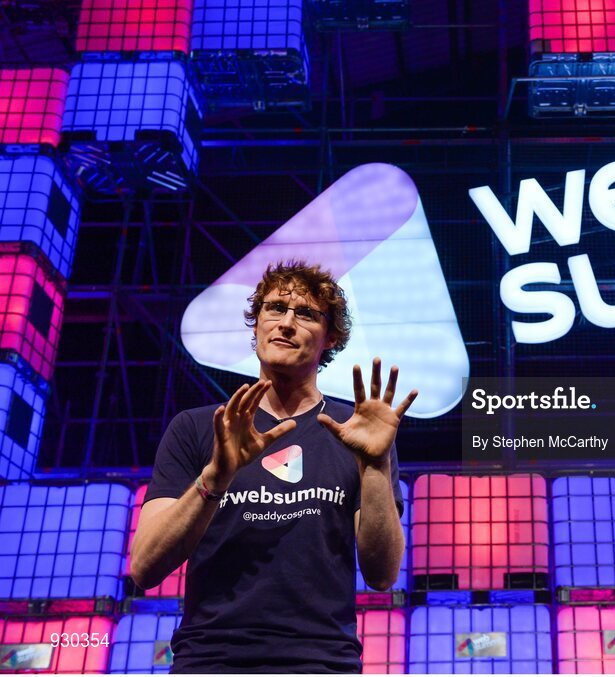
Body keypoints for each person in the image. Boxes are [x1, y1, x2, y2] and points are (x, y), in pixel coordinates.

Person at [130, 261, 415, 673]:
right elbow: (145, 567)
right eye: (275, 308)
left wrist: (374, 465)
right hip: (210, 660)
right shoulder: (197, 428)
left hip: (321, 663)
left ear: (330, 337)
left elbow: (383, 573)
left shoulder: (357, 433)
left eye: (305, 314)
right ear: (257, 323)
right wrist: (216, 476)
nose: (285, 323)